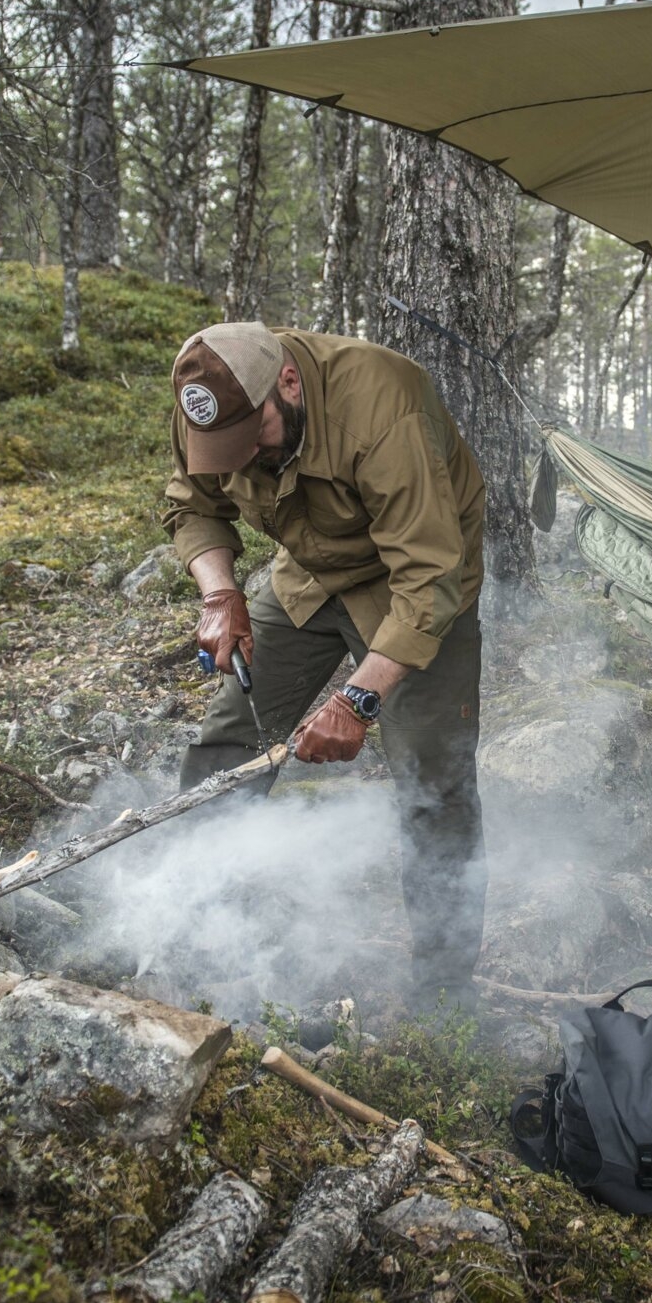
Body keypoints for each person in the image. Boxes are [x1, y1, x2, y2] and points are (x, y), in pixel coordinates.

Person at [160, 320, 488, 1013]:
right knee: (228, 739)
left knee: (436, 783)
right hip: (306, 576)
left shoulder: (383, 404)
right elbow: (193, 506)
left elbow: (429, 576)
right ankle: (190, 930)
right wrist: (220, 593)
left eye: (257, 440)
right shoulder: (211, 397)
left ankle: (444, 996)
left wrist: (358, 700)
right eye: (229, 450)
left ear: (287, 382)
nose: (243, 458)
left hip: (416, 588)